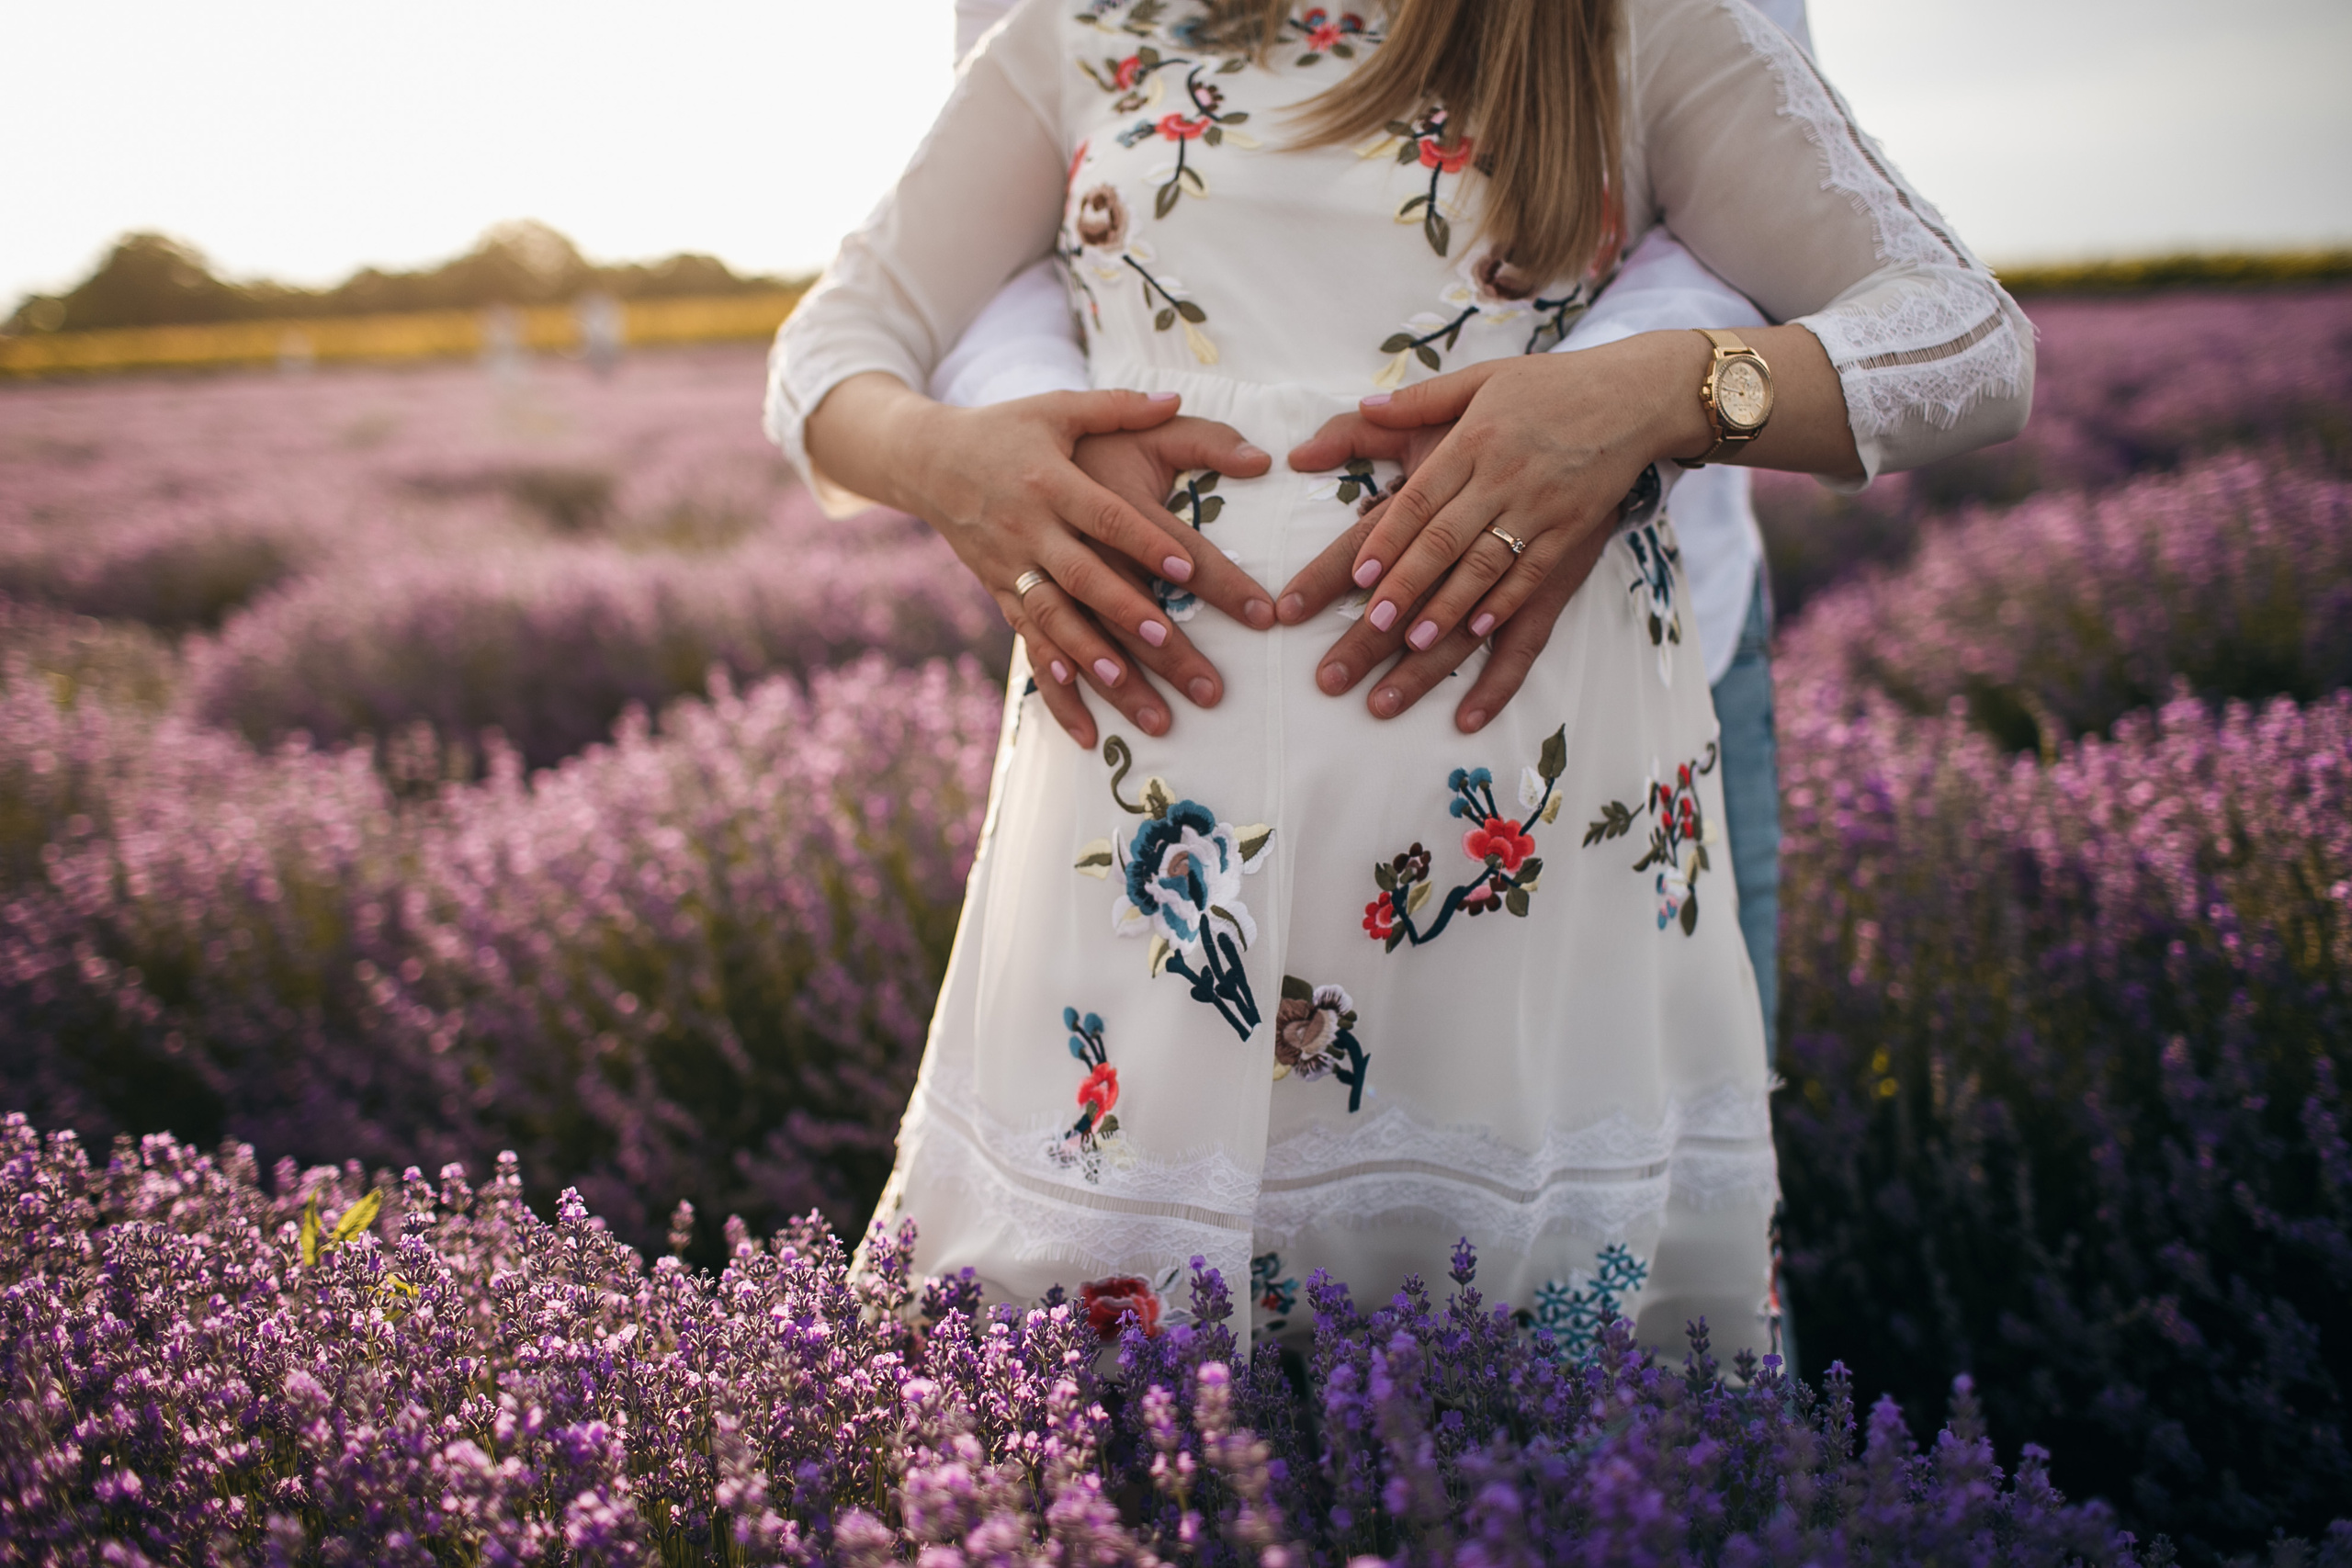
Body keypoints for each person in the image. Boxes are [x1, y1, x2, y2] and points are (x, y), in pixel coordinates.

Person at [766, 0, 2030, 1360]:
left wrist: (1667, 391)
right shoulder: (1084, 31)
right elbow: (831, 352)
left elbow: (1965, 336)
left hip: (1535, 866)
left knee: (1582, 1434)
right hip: (1156, 878)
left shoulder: (1628, 24)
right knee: (1094, 1423)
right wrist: (948, 463)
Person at [933, 0, 1812, 1065]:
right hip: (1163, 744)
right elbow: (1002, 234)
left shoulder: (1653, 25)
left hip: (1596, 687)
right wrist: (1048, 434)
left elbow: (1755, 218)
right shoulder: (1076, 30)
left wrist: (1612, 396)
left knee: (1578, 1108)